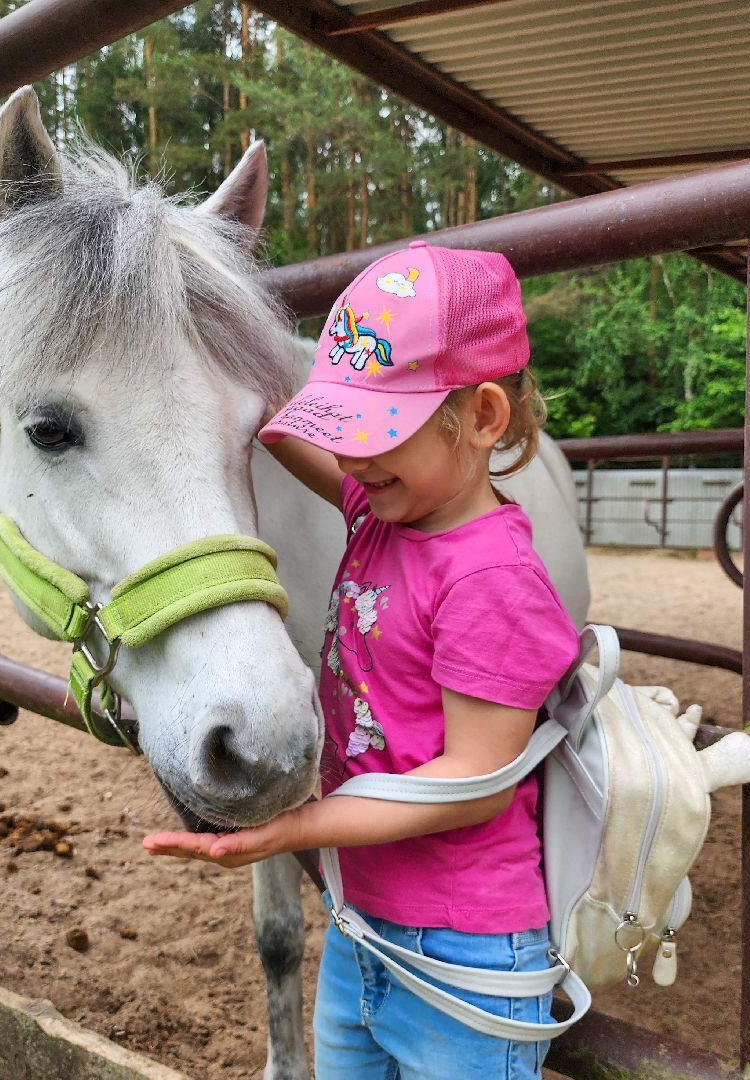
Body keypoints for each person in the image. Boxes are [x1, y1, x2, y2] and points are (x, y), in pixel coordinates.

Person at [143, 241, 581, 1079]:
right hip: (361, 927)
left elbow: (473, 778)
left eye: (376, 430)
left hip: (466, 957)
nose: (349, 456)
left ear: (484, 418)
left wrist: (297, 829)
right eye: (339, 428)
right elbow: (271, 423)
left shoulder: (491, 581)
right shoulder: (387, 505)